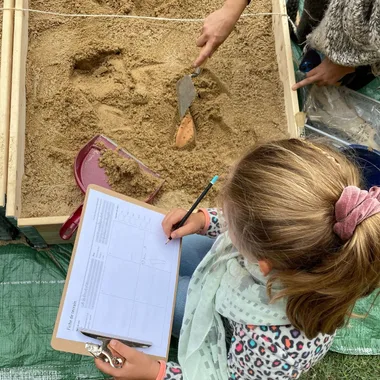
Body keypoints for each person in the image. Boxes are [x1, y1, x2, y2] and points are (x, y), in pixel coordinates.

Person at [95, 139, 380, 380]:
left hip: (243, 326)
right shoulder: (318, 240)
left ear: (261, 260)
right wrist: (203, 220)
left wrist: (155, 372)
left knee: (163, 297)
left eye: (229, 218)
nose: (225, 220)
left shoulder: (272, 347)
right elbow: (247, 227)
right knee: (177, 247)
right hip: (245, 283)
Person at [192, 0, 380, 91]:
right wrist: (231, 8)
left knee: (345, 80)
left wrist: (346, 63)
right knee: (312, 25)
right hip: (330, 8)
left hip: (368, 42)